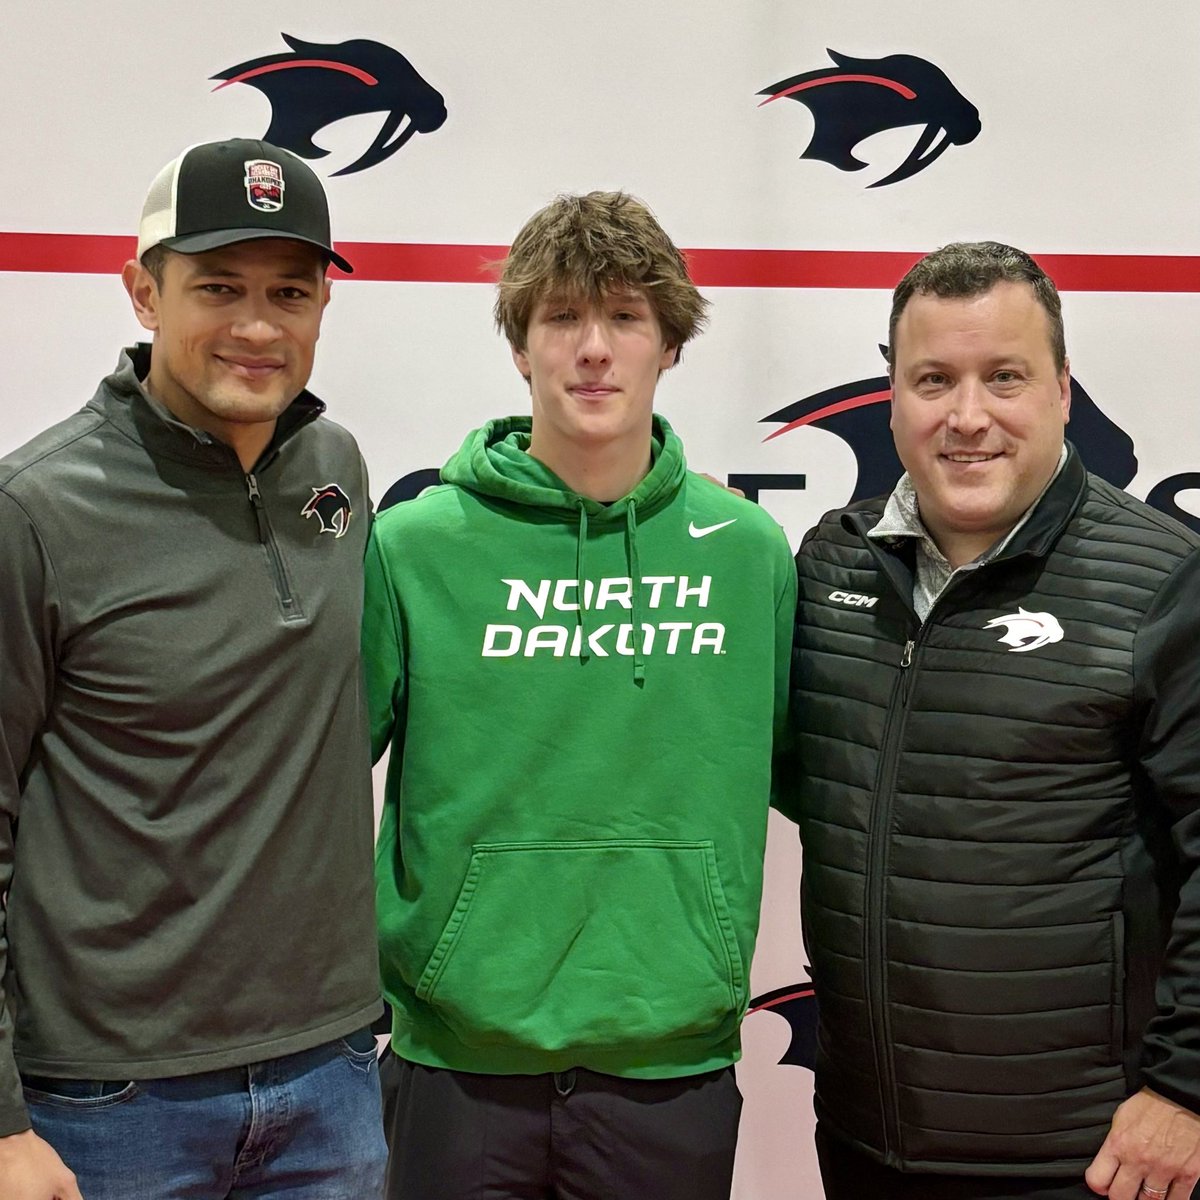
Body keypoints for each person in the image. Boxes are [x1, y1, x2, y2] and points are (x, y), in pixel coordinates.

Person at [362, 190, 796, 1199]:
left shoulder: (747, 553)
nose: (593, 348)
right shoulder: (413, 546)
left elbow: (809, 774)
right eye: (562, 316)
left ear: (670, 344)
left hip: (669, 1061)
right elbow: (309, 781)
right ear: (520, 346)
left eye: (625, 317)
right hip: (456, 1061)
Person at [0, 139, 386, 1199]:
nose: (258, 326)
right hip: (106, 1103)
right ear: (144, 293)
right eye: (219, 287)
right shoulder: (34, 510)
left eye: (289, 292)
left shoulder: (336, 469)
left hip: (333, 1073)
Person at [787, 240, 1200, 1200]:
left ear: (1061, 391)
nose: (967, 416)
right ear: (893, 398)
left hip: (1087, 1160)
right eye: (934, 380)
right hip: (865, 1143)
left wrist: (1187, 1089)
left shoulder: (1165, 581)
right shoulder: (830, 564)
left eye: (1003, 377)